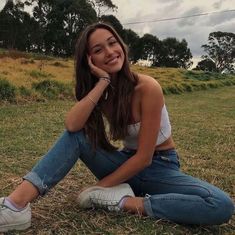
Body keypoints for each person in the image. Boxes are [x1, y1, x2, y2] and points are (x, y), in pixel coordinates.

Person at [0, 22, 234, 232]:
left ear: (121, 45)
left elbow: (144, 159)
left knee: (221, 205)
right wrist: (102, 83)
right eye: (98, 50)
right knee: (77, 134)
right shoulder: (103, 91)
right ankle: (15, 205)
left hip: (160, 167)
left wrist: (99, 189)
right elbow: (72, 125)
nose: (110, 52)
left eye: (112, 43)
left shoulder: (148, 88)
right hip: (123, 163)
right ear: (89, 60)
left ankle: (124, 201)